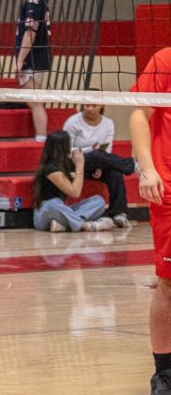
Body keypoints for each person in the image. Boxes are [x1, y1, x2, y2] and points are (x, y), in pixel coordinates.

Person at [129, 47, 171, 394]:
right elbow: (139, 113)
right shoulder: (165, 60)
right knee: (169, 284)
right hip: (169, 188)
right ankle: (165, 374)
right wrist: (148, 169)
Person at [63, 102, 135, 227]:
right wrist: (90, 149)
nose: (90, 109)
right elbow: (67, 150)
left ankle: (118, 213)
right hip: (72, 166)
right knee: (96, 154)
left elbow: (106, 149)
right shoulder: (73, 122)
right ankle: (131, 165)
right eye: (87, 105)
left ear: (102, 106)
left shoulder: (108, 123)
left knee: (115, 172)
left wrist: (100, 165)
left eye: (94, 105)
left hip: (97, 163)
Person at [31, 131, 113, 232]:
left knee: (99, 201)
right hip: (45, 213)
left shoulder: (65, 163)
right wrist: (80, 165)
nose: (71, 147)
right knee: (53, 204)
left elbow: (81, 154)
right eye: (69, 144)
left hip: (64, 209)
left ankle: (64, 225)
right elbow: (75, 192)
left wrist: (98, 166)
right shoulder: (50, 169)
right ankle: (86, 226)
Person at [16, 0, 52, 141]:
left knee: (34, 101)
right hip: (38, 57)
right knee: (35, 101)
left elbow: (30, 33)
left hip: (33, 58)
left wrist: (19, 60)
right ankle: (41, 138)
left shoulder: (33, 1)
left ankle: (41, 139)